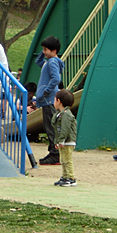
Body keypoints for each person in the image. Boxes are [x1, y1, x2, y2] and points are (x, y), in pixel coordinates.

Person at [35, 36, 65, 165]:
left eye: (46, 49)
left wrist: (46, 91)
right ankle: (53, 151)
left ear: (54, 50)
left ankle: (55, 154)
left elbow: (56, 79)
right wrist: (44, 52)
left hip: (48, 99)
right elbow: (38, 61)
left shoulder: (52, 62)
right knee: (51, 126)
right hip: (48, 99)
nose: (44, 52)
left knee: (51, 126)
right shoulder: (50, 62)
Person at [53, 89, 77, 187]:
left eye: (54, 100)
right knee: (62, 160)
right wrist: (57, 141)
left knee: (67, 160)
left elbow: (65, 129)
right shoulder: (60, 114)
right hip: (63, 141)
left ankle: (70, 178)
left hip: (67, 141)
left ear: (58, 101)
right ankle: (65, 176)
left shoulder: (66, 114)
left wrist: (61, 140)